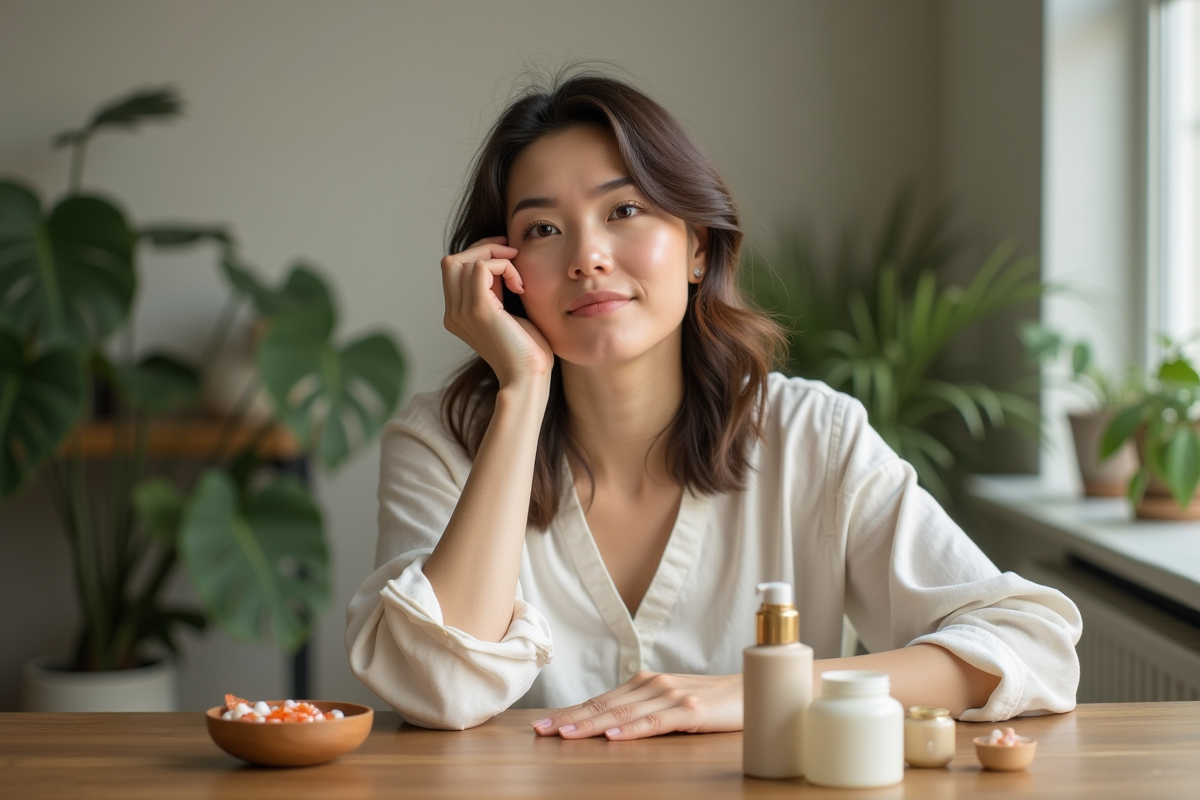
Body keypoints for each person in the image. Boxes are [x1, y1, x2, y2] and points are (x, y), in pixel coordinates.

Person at [346, 71, 1082, 739]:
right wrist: (521, 390)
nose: (587, 256)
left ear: (698, 247)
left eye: (625, 209)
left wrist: (765, 692)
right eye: (542, 228)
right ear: (500, 273)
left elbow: (1031, 646)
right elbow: (431, 689)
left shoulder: (811, 436)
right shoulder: (441, 440)